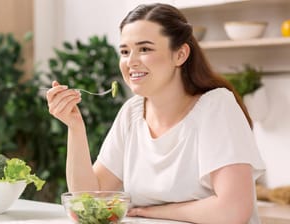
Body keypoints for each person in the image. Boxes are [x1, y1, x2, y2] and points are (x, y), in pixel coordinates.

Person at [46, 3, 265, 224]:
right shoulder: (131, 113)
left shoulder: (216, 107)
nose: (130, 61)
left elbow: (233, 211)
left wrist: (153, 211)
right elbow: (90, 199)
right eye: (124, 51)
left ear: (180, 54)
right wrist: (75, 127)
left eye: (145, 49)